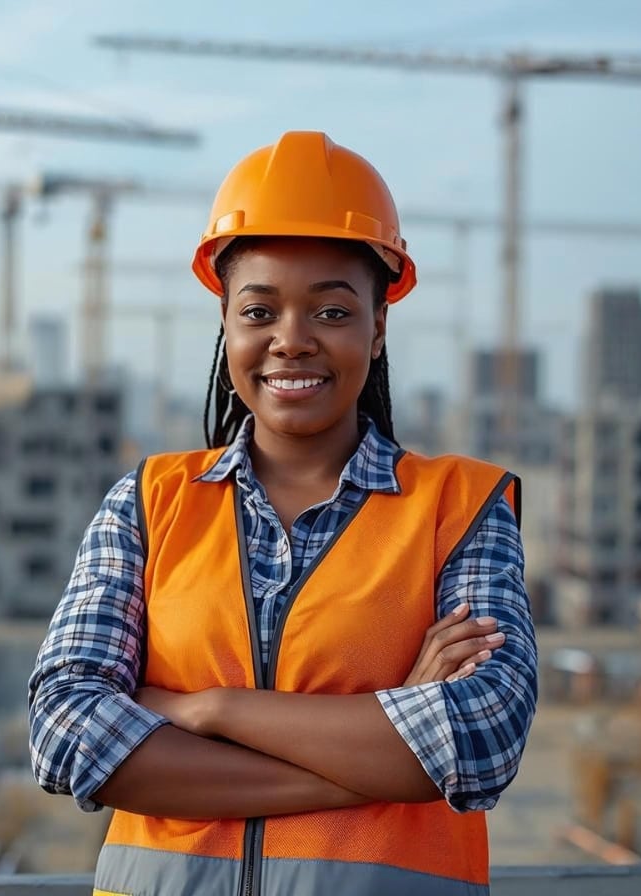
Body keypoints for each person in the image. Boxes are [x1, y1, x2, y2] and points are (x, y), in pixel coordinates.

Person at [29, 130, 538, 896]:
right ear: (226, 323)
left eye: (332, 312)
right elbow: (66, 734)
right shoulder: (149, 503)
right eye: (259, 310)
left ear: (379, 323)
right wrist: (382, 754)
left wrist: (206, 708)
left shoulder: (461, 510)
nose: (290, 341)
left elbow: (479, 738)